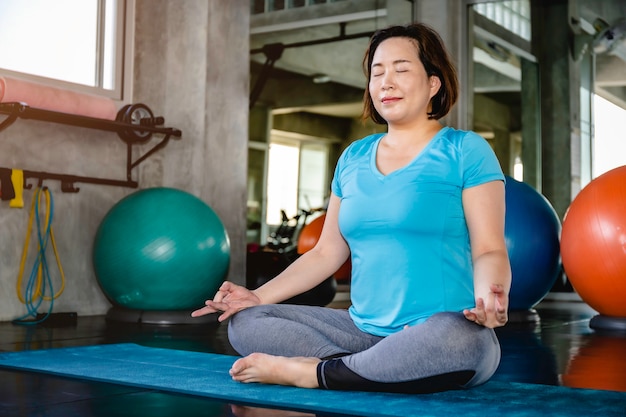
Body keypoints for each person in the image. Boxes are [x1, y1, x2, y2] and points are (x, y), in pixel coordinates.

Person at [192, 22, 511, 394]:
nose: (386, 82)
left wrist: (491, 294)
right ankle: (361, 370)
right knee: (247, 322)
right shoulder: (353, 157)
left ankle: (310, 373)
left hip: (438, 330)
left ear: (433, 84)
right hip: (360, 334)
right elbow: (326, 252)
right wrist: (257, 297)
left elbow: (490, 248)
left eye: (401, 69)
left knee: (463, 340)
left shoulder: (464, 150)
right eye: (377, 73)